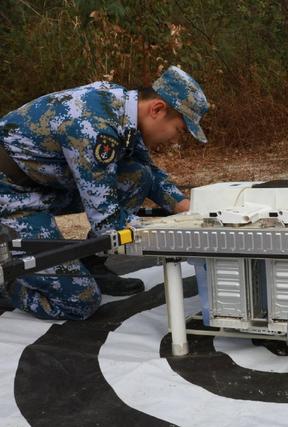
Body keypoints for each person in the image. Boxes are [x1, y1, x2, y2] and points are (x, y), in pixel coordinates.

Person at [0, 66, 209, 320]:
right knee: (80, 301)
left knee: (137, 176)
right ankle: (8, 281)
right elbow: (108, 224)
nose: (176, 139)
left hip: (43, 184)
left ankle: (92, 263)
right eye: (179, 130)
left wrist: (188, 208)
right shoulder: (95, 127)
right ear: (157, 109)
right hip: (13, 196)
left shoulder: (123, 110)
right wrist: (176, 231)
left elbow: (150, 175)